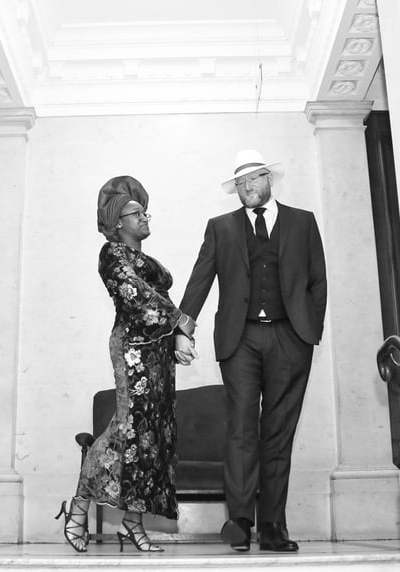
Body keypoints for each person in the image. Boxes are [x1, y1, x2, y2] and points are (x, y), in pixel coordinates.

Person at [175, 149, 327, 553]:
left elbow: (317, 280)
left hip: (290, 338)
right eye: (240, 183)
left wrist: (309, 330)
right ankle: (240, 522)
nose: (246, 187)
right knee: (241, 428)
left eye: (253, 179)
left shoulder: (302, 222)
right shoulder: (221, 227)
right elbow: (200, 278)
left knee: (279, 431)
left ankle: (273, 526)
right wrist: (183, 329)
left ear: (268, 179)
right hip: (239, 339)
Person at [56, 175, 197, 553]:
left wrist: (178, 338)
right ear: (117, 222)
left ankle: (132, 524)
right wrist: (180, 320)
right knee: (127, 428)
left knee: (154, 436)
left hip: (158, 353)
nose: (145, 217)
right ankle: (78, 508)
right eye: (137, 213)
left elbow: (158, 297)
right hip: (133, 349)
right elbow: (135, 295)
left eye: (146, 212)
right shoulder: (112, 254)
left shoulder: (147, 261)